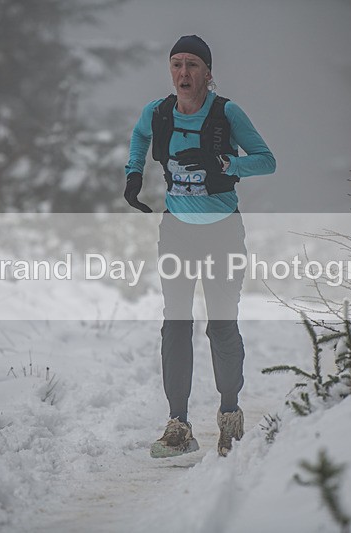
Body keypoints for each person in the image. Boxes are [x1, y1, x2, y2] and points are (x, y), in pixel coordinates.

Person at [124, 35, 275, 458]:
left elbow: (266, 159)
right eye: (176, 64)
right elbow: (139, 137)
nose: (184, 73)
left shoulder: (228, 113)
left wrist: (225, 163)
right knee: (176, 324)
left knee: (221, 325)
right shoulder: (158, 112)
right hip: (176, 231)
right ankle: (178, 425)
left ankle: (229, 417)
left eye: (192, 65)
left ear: (208, 73)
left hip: (222, 231)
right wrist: (133, 175)